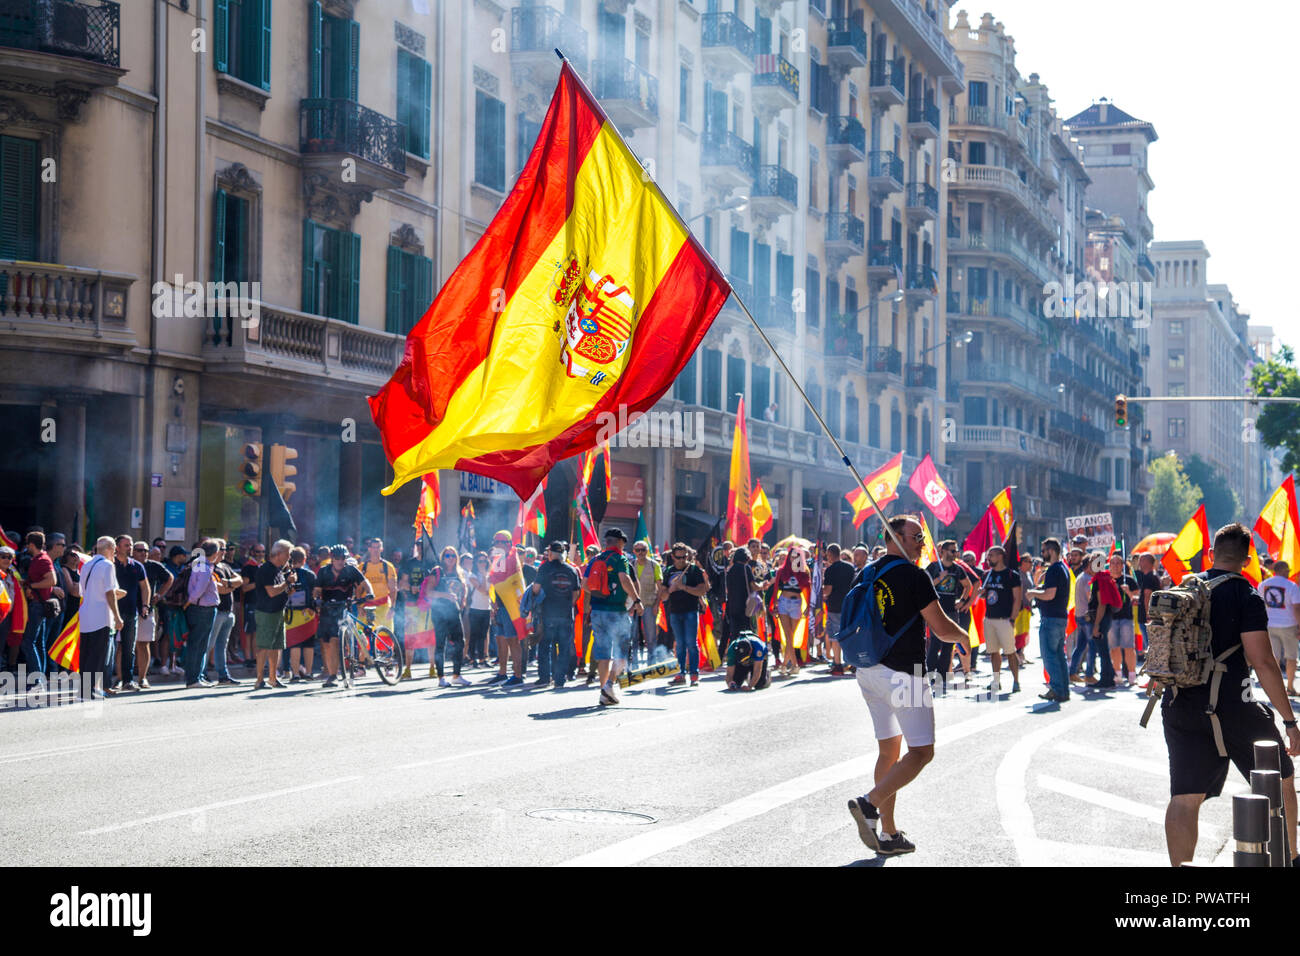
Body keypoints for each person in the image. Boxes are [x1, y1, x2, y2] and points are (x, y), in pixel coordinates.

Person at [1162, 523, 1300, 866]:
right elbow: (1263, 662)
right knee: (1280, 776)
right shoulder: (1245, 595)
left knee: (1184, 797)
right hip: (1232, 704)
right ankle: (1291, 857)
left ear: (1211, 554)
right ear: (1247, 559)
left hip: (1179, 701)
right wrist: (1289, 721)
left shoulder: (1186, 588)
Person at [848, 516, 972, 856]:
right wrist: (964, 638)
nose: (921, 542)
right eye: (915, 536)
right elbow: (941, 627)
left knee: (888, 752)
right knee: (921, 752)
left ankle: (887, 836)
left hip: (868, 671)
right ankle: (869, 803)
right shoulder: (914, 575)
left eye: (921, 536)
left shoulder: (866, 572)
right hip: (906, 674)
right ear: (894, 538)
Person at [583, 527, 642, 706]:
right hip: (616, 611)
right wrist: (637, 600)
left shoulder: (595, 559)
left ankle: (604, 692)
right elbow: (625, 579)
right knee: (622, 653)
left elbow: (584, 585)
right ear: (620, 542)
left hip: (598, 611)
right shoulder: (620, 559)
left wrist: (600, 594)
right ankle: (609, 686)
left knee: (603, 653)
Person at [314, 544, 373, 688]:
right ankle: (332, 672)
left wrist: (370, 593)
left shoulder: (351, 570)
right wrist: (316, 599)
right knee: (327, 644)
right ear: (332, 559)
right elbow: (316, 590)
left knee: (334, 640)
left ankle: (333, 676)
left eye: (343, 558)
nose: (340, 561)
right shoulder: (323, 572)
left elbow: (366, 583)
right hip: (327, 609)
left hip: (344, 609)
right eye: (337, 558)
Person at [77, 537, 124, 701]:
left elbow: (82, 591)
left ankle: (84, 689)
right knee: (97, 655)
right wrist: (117, 617)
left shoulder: (86, 565)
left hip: (86, 613)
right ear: (111, 548)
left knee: (86, 653)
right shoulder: (108, 565)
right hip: (101, 615)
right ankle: (88, 690)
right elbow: (110, 593)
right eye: (115, 550)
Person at [924, 539, 973, 691]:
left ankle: (943, 676)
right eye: (952, 551)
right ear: (943, 552)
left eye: (956, 551)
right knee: (934, 644)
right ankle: (931, 675)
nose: (955, 553)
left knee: (949, 644)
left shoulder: (957, 569)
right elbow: (924, 585)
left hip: (952, 610)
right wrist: (939, 578)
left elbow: (968, 585)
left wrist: (963, 600)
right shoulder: (933, 567)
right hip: (936, 610)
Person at [1026, 537, 1071, 703]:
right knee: (1059, 656)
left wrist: (1033, 593)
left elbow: (1050, 594)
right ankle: (1063, 690)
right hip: (1059, 617)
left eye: (1044, 550)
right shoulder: (1062, 568)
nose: (1042, 553)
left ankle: (1057, 690)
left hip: (1051, 618)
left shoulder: (1054, 569)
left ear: (1051, 551)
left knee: (1050, 656)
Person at [658, 542, 708, 686]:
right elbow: (663, 596)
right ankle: (681, 673)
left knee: (692, 644)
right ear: (673, 557)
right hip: (674, 612)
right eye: (678, 557)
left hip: (691, 611)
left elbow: (702, 590)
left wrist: (684, 587)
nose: (682, 560)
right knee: (679, 645)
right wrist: (670, 590)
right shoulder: (668, 571)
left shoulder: (693, 570)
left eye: (684, 557)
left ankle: (694, 674)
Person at [532, 540, 580, 687]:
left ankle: (545, 678)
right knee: (564, 647)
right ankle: (560, 679)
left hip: (547, 613)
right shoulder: (571, 569)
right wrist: (567, 604)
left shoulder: (544, 568)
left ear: (551, 553)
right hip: (565, 613)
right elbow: (576, 593)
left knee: (545, 646)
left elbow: (536, 589)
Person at [422, 546, 471, 687]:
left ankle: (456, 674)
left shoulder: (458, 572)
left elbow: (462, 589)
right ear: (443, 558)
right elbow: (428, 592)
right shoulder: (437, 571)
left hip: (454, 611)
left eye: (453, 556)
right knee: (440, 644)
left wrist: (462, 601)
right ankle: (441, 677)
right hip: (439, 612)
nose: (450, 558)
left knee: (460, 642)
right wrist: (445, 595)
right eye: (447, 556)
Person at [485, 531, 527, 687]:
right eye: (495, 542)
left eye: (498, 542)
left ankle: (518, 675)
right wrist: (493, 600)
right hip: (501, 606)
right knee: (501, 640)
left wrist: (491, 577)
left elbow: (502, 579)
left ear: (506, 543)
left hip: (511, 607)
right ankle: (502, 673)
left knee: (513, 640)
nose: (495, 544)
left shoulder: (511, 557)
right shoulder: (500, 557)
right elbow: (496, 581)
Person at [250, 540, 294, 689]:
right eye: (288, 554)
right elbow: (271, 591)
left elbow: (280, 590)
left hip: (278, 611)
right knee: (263, 646)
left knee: (276, 646)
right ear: (279, 553)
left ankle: (273, 678)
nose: (289, 557)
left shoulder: (278, 570)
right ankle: (259, 680)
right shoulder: (266, 569)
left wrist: (289, 588)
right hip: (266, 612)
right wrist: (287, 582)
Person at [979, 545, 1021, 694]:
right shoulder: (987, 575)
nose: (989, 558)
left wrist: (1012, 618)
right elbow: (986, 595)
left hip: (1005, 619)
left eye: (992, 555)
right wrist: (982, 593)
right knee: (993, 652)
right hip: (989, 618)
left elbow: (1017, 598)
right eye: (989, 555)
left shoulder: (1012, 575)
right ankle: (996, 681)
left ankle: (1016, 681)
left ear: (1001, 556)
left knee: (1010, 652)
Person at [110, 535, 149, 692]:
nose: (130, 547)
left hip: (131, 612)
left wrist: (145, 605)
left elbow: (145, 587)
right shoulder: (110, 565)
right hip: (112, 612)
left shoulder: (137, 566)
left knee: (129, 648)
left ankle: (128, 680)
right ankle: (111, 680)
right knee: (111, 648)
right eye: (126, 545)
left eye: (131, 545)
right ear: (117, 547)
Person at [1257, 560, 1300, 697]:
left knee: (1274, 657)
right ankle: (1290, 687)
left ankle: (1276, 687)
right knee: (1291, 657)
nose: (1289, 572)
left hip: (1269, 625)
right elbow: (1297, 608)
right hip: (1289, 625)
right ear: (1282, 570)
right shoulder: (1292, 586)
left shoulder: (1263, 585)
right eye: (1287, 570)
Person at [20, 531, 56, 686]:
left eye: (27, 544)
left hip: (38, 606)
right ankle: (40, 679)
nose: (26, 547)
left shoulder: (42, 559)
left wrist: (31, 586)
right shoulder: (40, 559)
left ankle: (37, 681)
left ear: (32, 545)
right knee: (39, 643)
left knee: (28, 642)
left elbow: (52, 580)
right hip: (39, 605)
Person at [773, 548, 811, 677]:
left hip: (796, 604)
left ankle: (788, 664)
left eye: (796, 556)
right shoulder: (782, 571)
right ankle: (791, 665)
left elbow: (808, 590)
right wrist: (774, 605)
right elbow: (775, 588)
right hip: (783, 602)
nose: (793, 559)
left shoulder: (804, 572)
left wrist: (809, 607)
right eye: (791, 556)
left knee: (791, 635)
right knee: (788, 635)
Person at [1104, 553, 1140, 686]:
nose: (1115, 566)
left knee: (1129, 647)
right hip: (1111, 618)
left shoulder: (1129, 580)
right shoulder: (1106, 580)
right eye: (1112, 563)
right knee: (1114, 648)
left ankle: (1131, 675)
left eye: (1118, 563)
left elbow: (1137, 599)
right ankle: (1117, 673)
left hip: (1126, 618)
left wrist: (1128, 592)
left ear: (1122, 566)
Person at [821, 544, 856, 677]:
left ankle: (837, 664)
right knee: (849, 634)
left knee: (836, 636)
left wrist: (819, 590)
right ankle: (852, 662)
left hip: (835, 606)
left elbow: (828, 590)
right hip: (848, 605)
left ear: (830, 554)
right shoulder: (849, 567)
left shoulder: (830, 570)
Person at [285, 546, 318, 682]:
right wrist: (313, 608)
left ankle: (296, 674)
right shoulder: (310, 575)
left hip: (291, 615)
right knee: (309, 644)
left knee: (294, 645)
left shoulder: (286, 574)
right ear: (304, 559)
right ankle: (309, 673)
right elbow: (315, 593)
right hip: (308, 613)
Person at [1067, 548, 1096, 685]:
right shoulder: (1087, 579)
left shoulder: (1081, 577)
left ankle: (1072, 672)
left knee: (1080, 646)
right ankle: (1089, 674)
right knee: (1091, 646)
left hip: (1080, 615)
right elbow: (1090, 597)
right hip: (1086, 617)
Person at [631, 540, 662, 666]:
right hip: (633, 606)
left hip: (649, 605)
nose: (640, 553)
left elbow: (660, 588)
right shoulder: (630, 565)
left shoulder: (655, 565)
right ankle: (634, 665)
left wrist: (656, 605)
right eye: (637, 550)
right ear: (634, 552)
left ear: (647, 551)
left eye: (643, 550)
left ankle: (651, 664)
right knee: (633, 637)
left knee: (650, 637)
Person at [359, 537, 398, 630]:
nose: (376, 550)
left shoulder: (388, 566)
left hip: (383, 607)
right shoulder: (362, 567)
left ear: (382, 549)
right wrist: (359, 607)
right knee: (361, 637)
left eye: (378, 547)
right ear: (369, 549)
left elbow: (393, 589)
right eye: (373, 547)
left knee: (385, 637)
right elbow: (358, 589)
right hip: (366, 607)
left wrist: (392, 608)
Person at [466, 552, 492, 667]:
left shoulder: (489, 574)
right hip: (475, 608)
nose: (483, 563)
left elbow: (491, 591)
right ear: (476, 563)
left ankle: (482, 659)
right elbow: (482, 589)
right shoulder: (472, 575)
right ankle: (472, 659)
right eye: (480, 561)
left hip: (486, 608)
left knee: (483, 635)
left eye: (484, 561)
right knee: (474, 635)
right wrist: (483, 576)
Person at [1134, 553, 1162, 656]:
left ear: (1147, 562)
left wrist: (1148, 614)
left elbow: (1147, 596)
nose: (1139, 563)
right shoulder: (1152, 576)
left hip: (1147, 617)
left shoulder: (1149, 577)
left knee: (1150, 645)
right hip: (1150, 616)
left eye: (1141, 560)